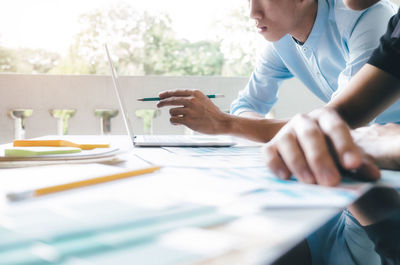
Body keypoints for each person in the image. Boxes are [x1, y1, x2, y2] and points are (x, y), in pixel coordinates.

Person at [156, 0, 399, 143]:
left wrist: (228, 123)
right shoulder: (283, 42)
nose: (252, 13)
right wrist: (247, 126)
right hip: (367, 149)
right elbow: (246, 104)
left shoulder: (368, 16)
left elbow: (338, 122)